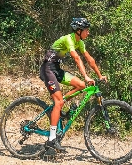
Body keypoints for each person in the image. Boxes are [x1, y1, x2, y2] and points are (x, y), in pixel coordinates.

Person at [39, 17, 107, 153]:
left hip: (56, 69)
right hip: (47, 69)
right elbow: (76, 58)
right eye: (86, 30)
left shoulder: (80, 42)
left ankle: (60, 105)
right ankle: (51, 139)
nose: (88, 33)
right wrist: (87, 76)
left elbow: (89, 59)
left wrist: (100, 75)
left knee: (81, 85)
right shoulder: (69, 39)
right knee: (58, 102)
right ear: (79, 31)